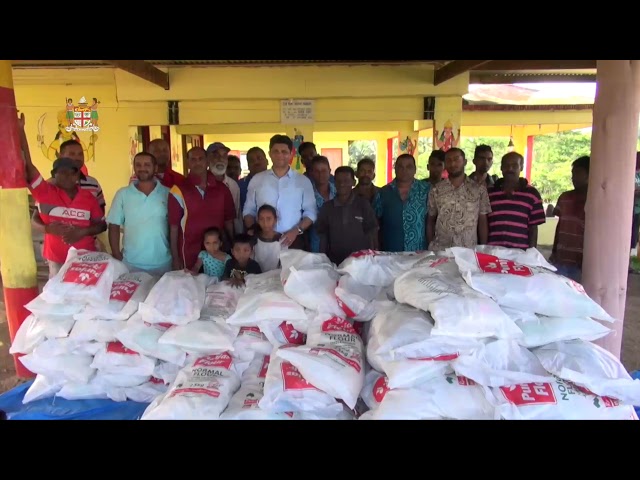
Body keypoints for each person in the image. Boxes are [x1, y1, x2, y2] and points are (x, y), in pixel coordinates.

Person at [18, 113, 106, 278]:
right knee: (57, 299)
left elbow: (101, 224)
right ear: (54, 175)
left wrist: (82, 232)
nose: (67, 176)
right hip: (57, 260)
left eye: (71, 173)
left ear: (77, 175)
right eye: (61, 173)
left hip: (86, 259)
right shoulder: (46, 191)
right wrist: (20, 131)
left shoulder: (89, 195)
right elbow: (28, 166)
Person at [243, 134, 317, 250]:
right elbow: (249, 210)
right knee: (264, 269)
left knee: (291, 269)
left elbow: (311, 213)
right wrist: (253, 230)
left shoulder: (303, 181)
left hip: (293, 240)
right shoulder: (257, 180)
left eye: (284, 151)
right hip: (262, 242)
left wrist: (295, 231)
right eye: (275, 151)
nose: (279, 155)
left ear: (291, 154)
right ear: (270, 154)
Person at [168, 146, 235, 271]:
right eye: (193, 159)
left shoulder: (222, 189)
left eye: (201, 159)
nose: (197, 162)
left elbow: (229, 222)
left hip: (217, 252)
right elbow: (173, 227)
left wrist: (233, 247)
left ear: (207, 161)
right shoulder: (178, 190)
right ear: (187, 163)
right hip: (188, 252)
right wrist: (175, 257)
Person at [107, 151, 172, 275]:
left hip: (163, 263)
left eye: (147, 165)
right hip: (130, 263)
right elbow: (114, 225)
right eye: (138, 165)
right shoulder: (123, 194)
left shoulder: (168, 193)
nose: (142, 168)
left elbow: (174, 226)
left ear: (155, 168)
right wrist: (116, 254)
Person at [427, 148, 491, 251]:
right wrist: (430, 245)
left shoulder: (479, 190)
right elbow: (430, 220)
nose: (452, 163)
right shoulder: (436, 190)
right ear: (445, 164)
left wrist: (483, 249)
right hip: (441, 250)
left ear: (465, 162)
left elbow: (483, 221)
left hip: (468, 250)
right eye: (448, 160)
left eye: (456, 159)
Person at [317, 166, 378, 265]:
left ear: (353, 182)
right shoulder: (327, 208)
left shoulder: (363, 205)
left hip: (360, 262)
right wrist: (323, 260)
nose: (342, 184)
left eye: (346, 180)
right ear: (334, 182)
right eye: (338, 181)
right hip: (335, 262)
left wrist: (371, 257)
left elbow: (371, 232)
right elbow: (323, 237)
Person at [487, 152, 546, 249]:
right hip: (493, 251)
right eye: (506, 165)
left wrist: (531, 252)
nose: (510, 169)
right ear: (501, 168)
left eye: (514, 165)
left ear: (521, 167)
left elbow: (533, 228)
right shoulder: (489, 193)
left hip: (520, 253)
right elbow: (484, 224)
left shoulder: (532, 194)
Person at [374, 154, 429, 252]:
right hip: (391, 251)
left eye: (409, 167)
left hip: (419, 252)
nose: (404, 170)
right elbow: (375, 222)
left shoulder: (427, 190)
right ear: (395, 169)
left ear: (415, 169)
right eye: (400, 167)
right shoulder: (383, 192)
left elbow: (432, 220)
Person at [550, 156, 590, 283]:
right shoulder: (564, 197)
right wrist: (554, 251)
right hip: (561, 259)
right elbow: (560, 225)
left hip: (582, 263)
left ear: (590, 174)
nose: (573, 177)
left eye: (578, 173)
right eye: (572, 173)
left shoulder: (595, 200)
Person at [207, 142, 243, 236]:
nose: (220, 159)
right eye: (216, 155)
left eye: (224, 156)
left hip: (228, 240)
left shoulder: (233, 185)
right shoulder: (201, 184)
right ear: (207, 159)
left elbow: (236, 217)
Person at [309, 155, 337, 252]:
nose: (321, 174)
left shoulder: (339, 191)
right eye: (317, 171)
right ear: (312, 173)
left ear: (330, 171)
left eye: (324, 170)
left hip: (338, 241)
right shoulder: (307, 193)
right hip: (315, 243)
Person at [252, 204, 284, 272]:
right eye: (261, 219)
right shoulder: (254, 239)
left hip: (275, 278)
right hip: (256, 278)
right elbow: (250, 262)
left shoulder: (282, 239)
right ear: (257, 220)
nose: (265, 223)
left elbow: (284, 264)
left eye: (269, 219)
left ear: (275, 220)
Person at [238, 146, 268, 212]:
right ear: (248, 166)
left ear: (267, 161)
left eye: (259, 158)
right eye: (252, 160)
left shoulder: (277, 181)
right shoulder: (239, 186)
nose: (256, 163)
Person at [424, 150, 445, 214]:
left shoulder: (449, 186)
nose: (436, 168)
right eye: (433, 164)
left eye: (439, 164)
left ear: (444, 167)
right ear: (428, 167)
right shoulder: (420, 186)